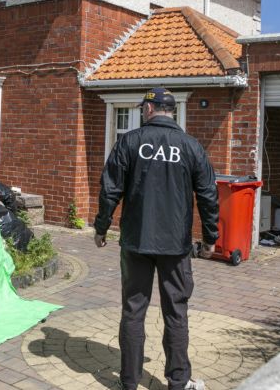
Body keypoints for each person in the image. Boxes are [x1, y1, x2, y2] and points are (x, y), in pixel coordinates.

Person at [93, 87, 219, 390]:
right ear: (171, 111)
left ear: (149, 109)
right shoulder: (191, 146)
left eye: (142, 108)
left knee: (133, 310)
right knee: (176, 311)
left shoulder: (129, 142)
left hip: (136, 241)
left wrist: (101, 227)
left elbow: (110, 188)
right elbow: (208, 195)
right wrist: (211, 237)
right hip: (175, 245)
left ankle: (129, 383)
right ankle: (178, 382)